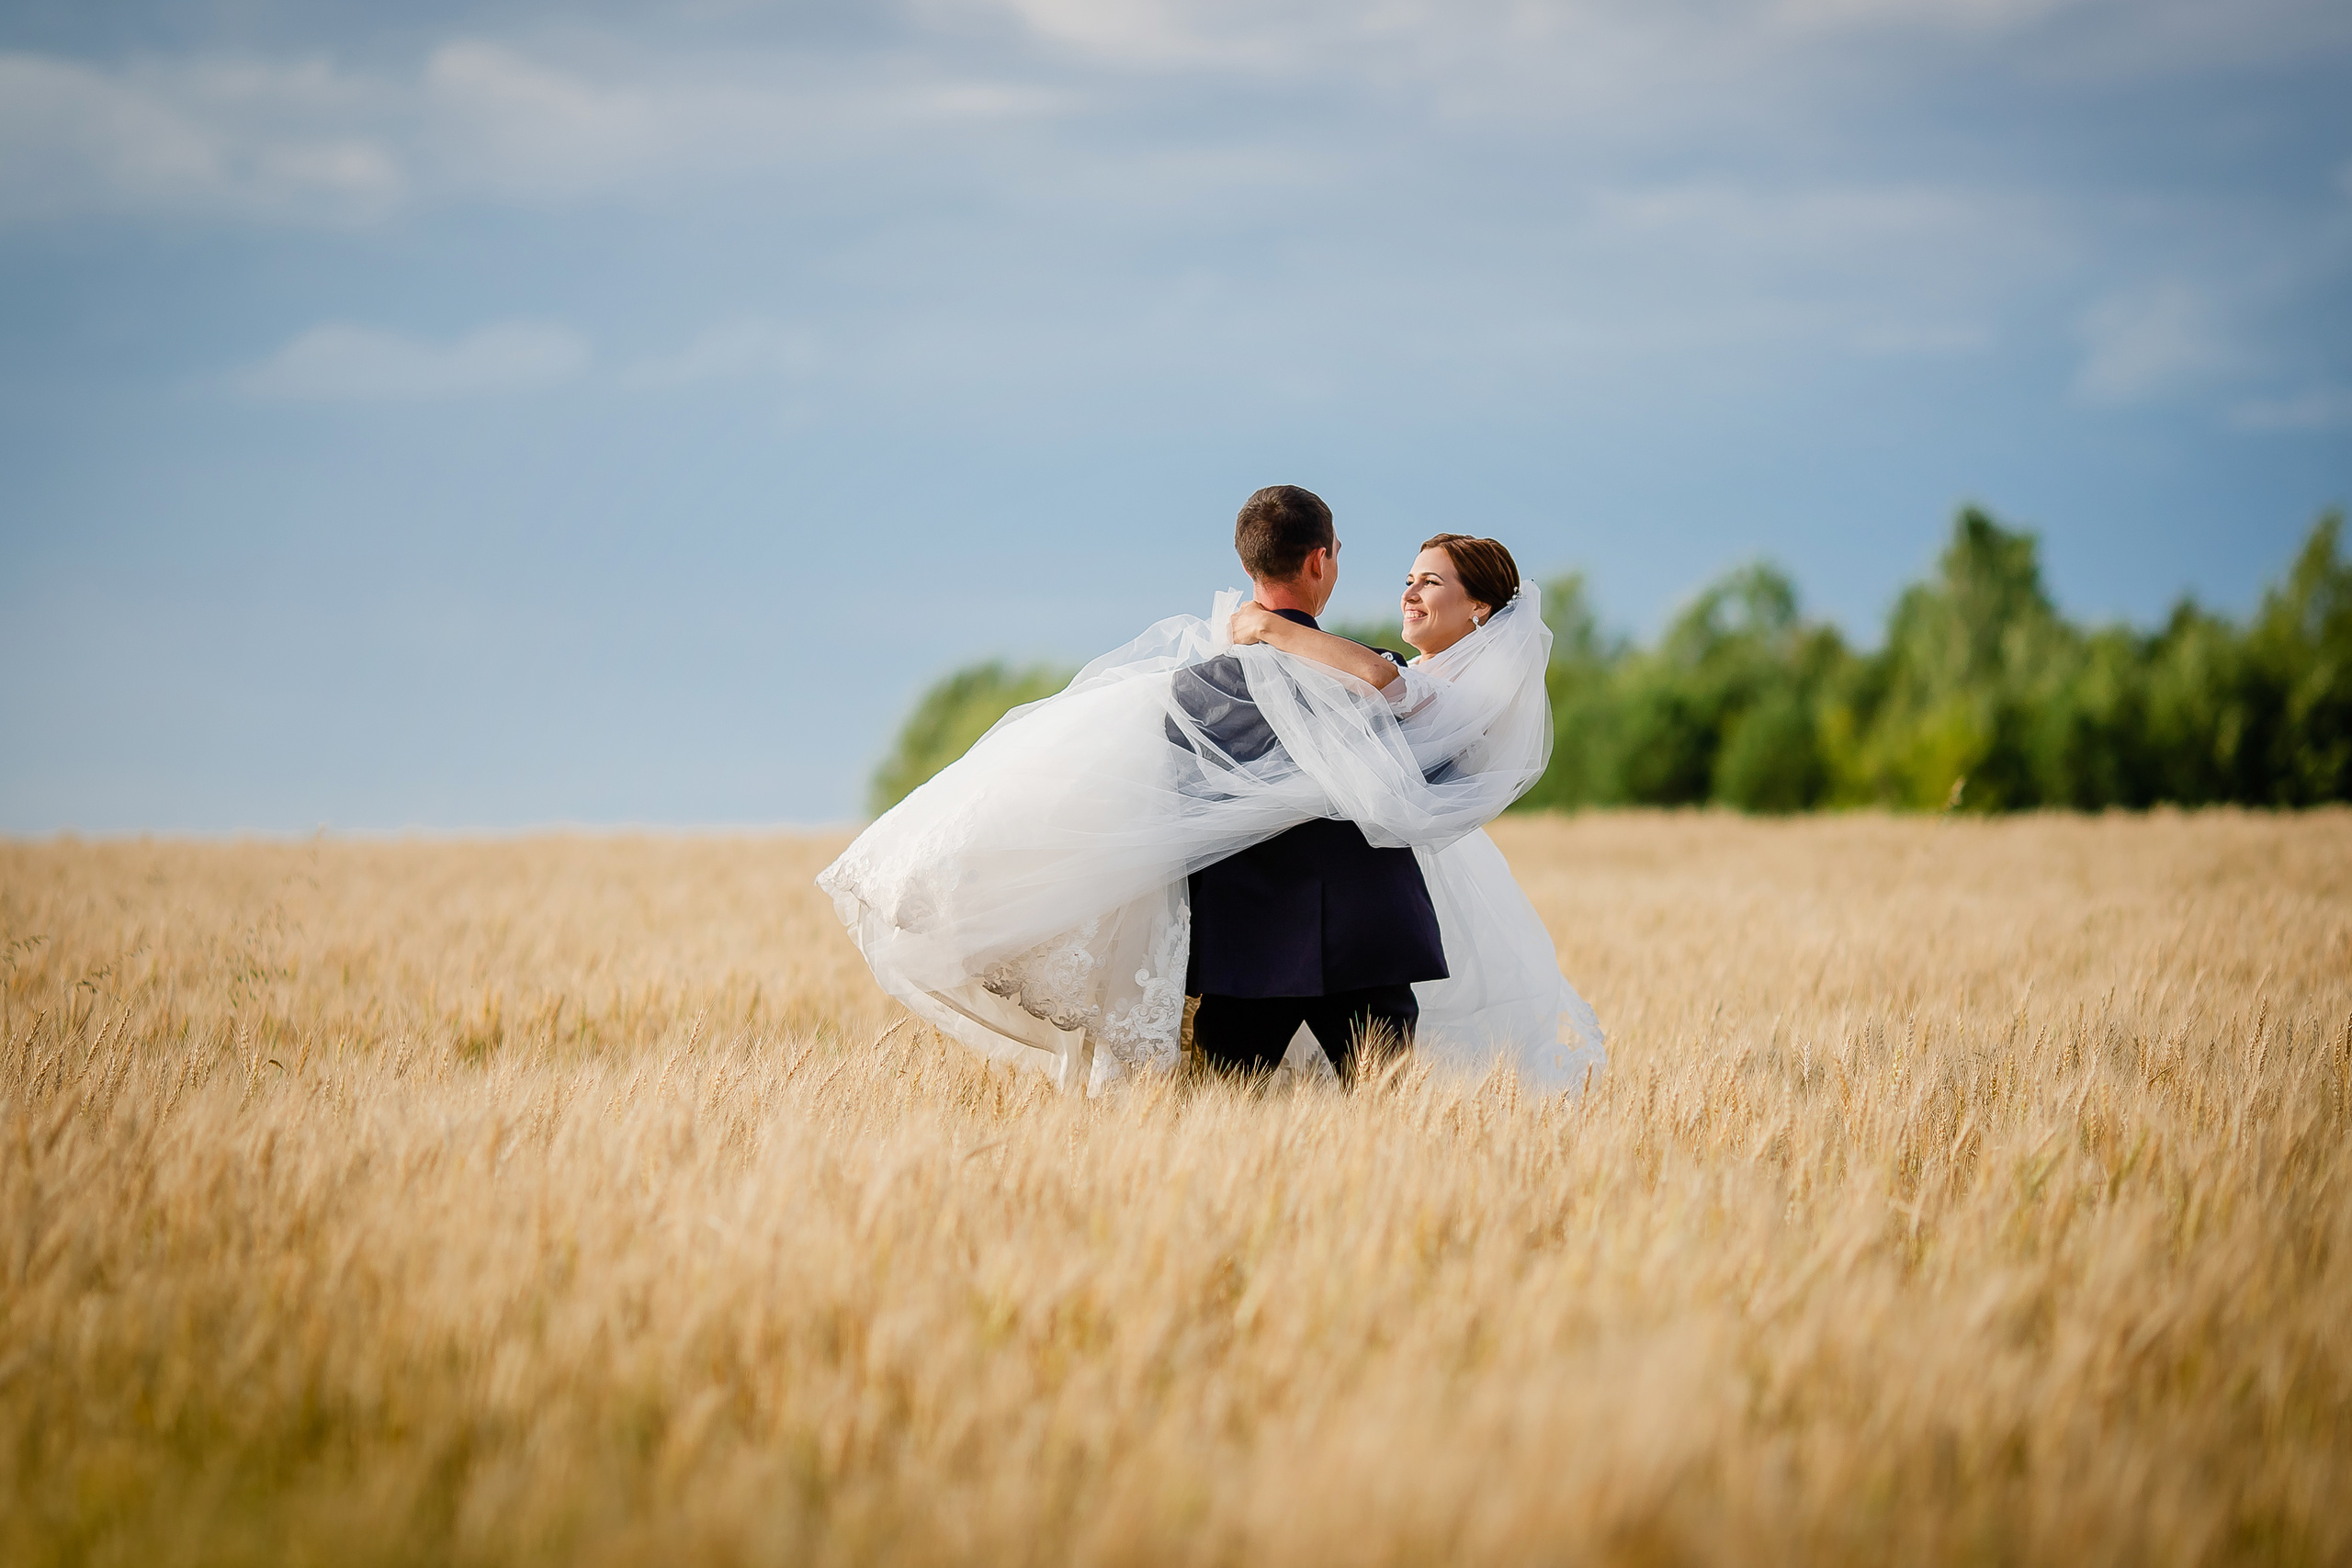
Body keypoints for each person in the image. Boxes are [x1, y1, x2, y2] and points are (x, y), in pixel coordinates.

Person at [816, 489, 1604, 1097]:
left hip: (1242, 952)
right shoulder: (1370, 675)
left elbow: (1154, 810)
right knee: (1395, 1117)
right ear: (1323, 562)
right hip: (1368, 941)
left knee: (1219, 1129)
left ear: (1247, 563)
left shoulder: (1190, 690)